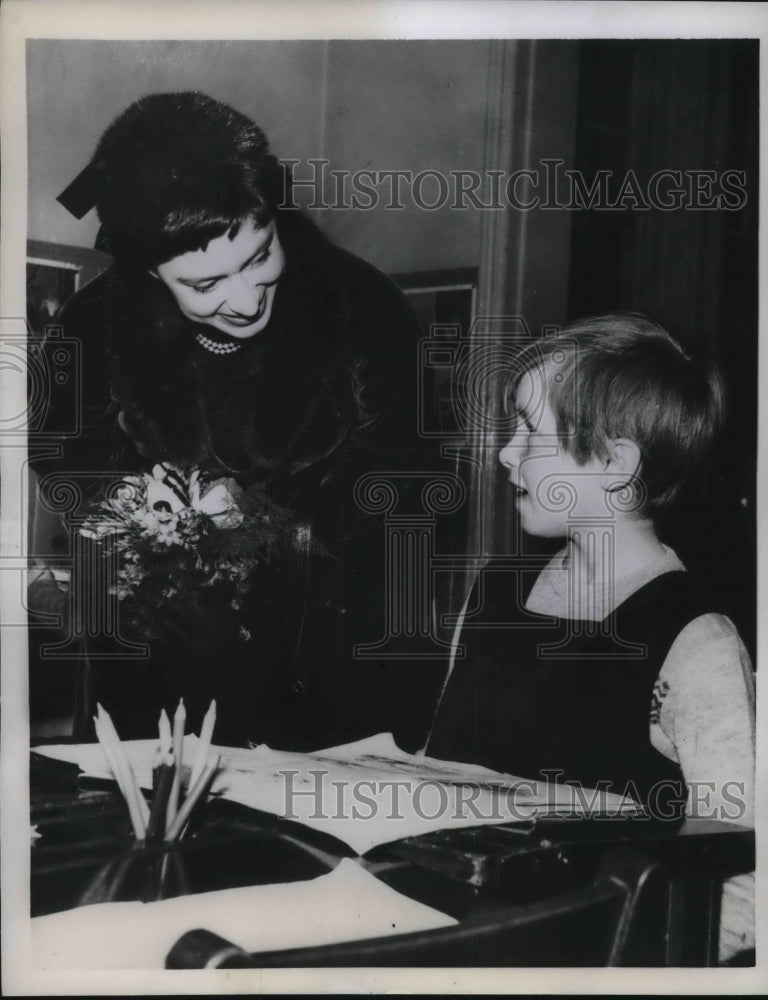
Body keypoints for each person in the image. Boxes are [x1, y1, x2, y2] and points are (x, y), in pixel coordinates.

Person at [31, 91, 442, 750]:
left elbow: (408, 488)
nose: (245, 300)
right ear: (148, 271)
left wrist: (259, 533)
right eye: (205, 285)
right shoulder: (94, 324)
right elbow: (64, 459)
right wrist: (144, 529)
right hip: (155, 657)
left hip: (327, 656)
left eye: (258, 258)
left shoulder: (364, 309)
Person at [425, 314, 755, 961]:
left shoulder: (696, 641)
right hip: (449, 932)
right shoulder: (494, 591)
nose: (504, 453)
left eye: (530, 432)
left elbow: (746, 876)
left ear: (615, 461)